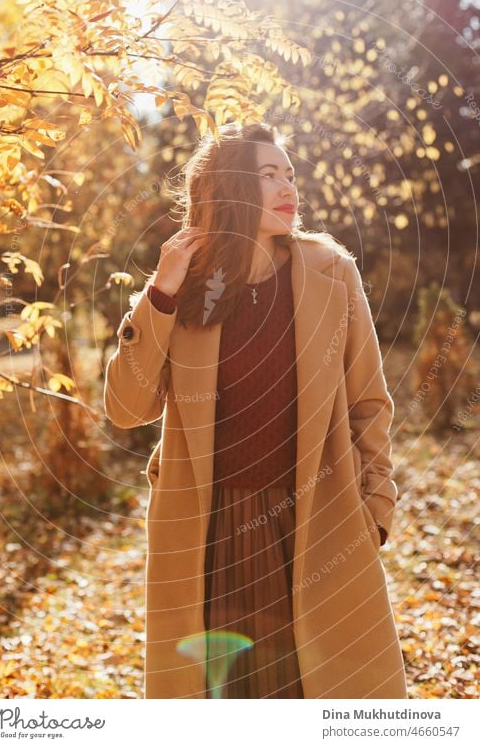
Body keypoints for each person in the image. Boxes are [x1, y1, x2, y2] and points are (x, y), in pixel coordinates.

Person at [104, 121, 408, 699]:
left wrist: (377, 509)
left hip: (318, 518)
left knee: (314, 690)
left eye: (289, 174)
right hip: (210, 528)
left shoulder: (331, 271)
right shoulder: (186, 285)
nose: (287, 186)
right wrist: (159, 294)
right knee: (225, 694)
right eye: (268, 174)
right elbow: (126, 407)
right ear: (229, 188)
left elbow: (369, 402)